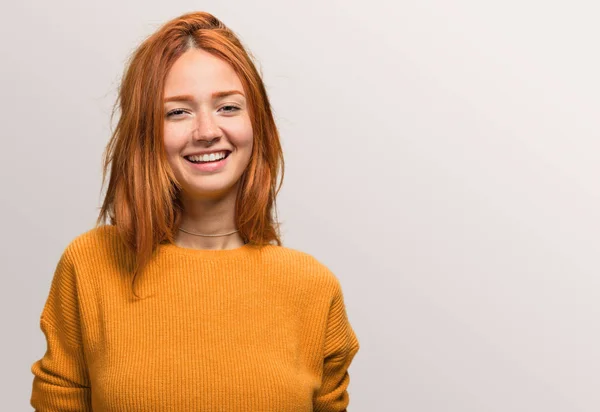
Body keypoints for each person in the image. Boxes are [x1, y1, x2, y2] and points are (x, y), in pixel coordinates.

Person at [30, 11, 359, 411]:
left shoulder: (312, 287)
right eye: (177, 111)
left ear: (258, 124)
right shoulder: (89, 266)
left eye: (228, 107)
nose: (206, 131)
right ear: (146, 132)